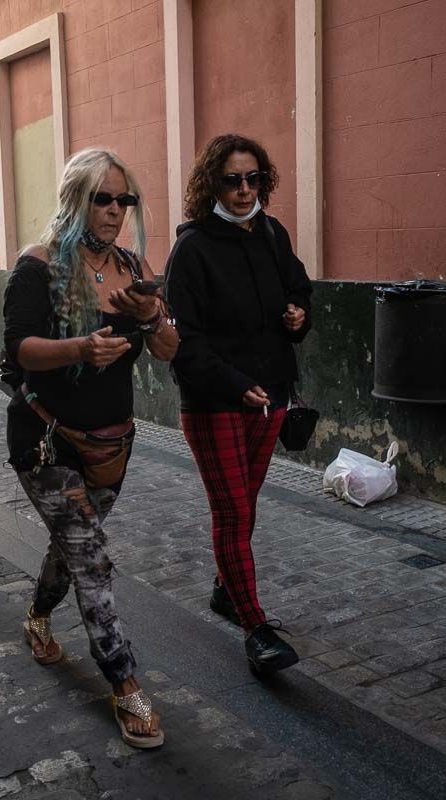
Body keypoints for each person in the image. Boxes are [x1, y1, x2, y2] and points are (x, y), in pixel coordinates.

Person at [3, 148, 178, 749]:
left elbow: (170, 350)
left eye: (122, 199)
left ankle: (36, 616)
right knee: (93, 556)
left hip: (111, 444)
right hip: (46, 437)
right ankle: (125, 683)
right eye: (102, 198)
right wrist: (79, 348)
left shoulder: (134, 266)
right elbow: (20, 348)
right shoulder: (39, 265)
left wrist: (152, 315)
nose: (113, 211)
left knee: (72, 546)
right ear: (76, 198)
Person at [164, 133, 312, 676]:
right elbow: (185, 342)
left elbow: (299, 288)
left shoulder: (273, 234)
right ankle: (256, 628)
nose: (245, 189)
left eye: (253, 178)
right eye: (233, 179)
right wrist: (232, 384)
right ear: (213, 184)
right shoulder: (193, 249)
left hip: (269, 398)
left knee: (243, 505)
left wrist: (299, 313)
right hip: (214, 403)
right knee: (232, 511)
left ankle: (227, 590)